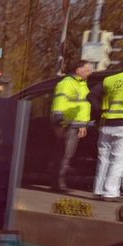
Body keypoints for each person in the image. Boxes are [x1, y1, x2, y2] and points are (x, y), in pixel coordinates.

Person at [50, 60, 94, 192]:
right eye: (87, 70)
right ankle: (58, 184)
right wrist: (59, 117)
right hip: (66, 123)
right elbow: (60, 100)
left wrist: (82, 124)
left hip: (74, 123)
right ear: (78, 70)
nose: (90, 72)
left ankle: (58, 182)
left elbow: (82, 106)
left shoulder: (81, 84)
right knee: (64, 154)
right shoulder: (67, 83)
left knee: (67, 154)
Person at [94, 68, 123, 202]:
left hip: (106, 124)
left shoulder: (109, 80)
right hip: (121, 126)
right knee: (117, 160)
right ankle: (110, 193)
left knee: (103, 159)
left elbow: (91, 95)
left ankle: (98, 190)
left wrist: (100, 110)